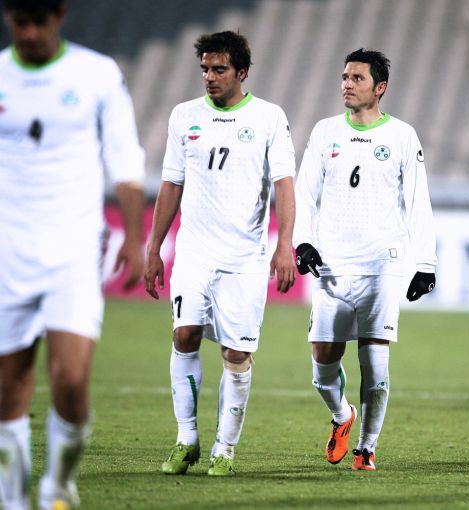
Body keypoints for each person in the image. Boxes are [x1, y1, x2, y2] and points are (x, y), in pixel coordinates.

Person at [0, 0, 146, 508]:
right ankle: (14, 500)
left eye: (38, 22)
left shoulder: (96, 74)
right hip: (8, 250)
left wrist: (134, 237)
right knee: (7, 392)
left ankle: (58, 481)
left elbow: (124, 157)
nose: (29, 32)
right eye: (20, 22)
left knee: (72, 381)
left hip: (73, 250)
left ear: (59, 16)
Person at [144, 31, 296, 477]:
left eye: (219, 69)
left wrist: (284, 243)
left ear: (242, 72)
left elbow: (284, 185)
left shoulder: (269, 117)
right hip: (194, 251)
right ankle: (186, 438)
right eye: (205, 69)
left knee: (236, 354)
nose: (209, 77)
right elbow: (171, 183)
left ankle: (224, 448)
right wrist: (154, 246)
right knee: (184, 335)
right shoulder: (183, 116)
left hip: (244, 258)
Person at [293, 48, 437, 471]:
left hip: (382, 263)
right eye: (345, 77)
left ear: (380, 88)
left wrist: (425, 263)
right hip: (332, 264)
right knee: (322, 365)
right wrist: (302, 242)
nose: (347, 84)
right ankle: (342, 415)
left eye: (357, 78)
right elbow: (305, 193)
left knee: (374, 363)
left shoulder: (402, 136)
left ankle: (366, 448)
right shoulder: (325, 132)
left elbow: (418, 203)